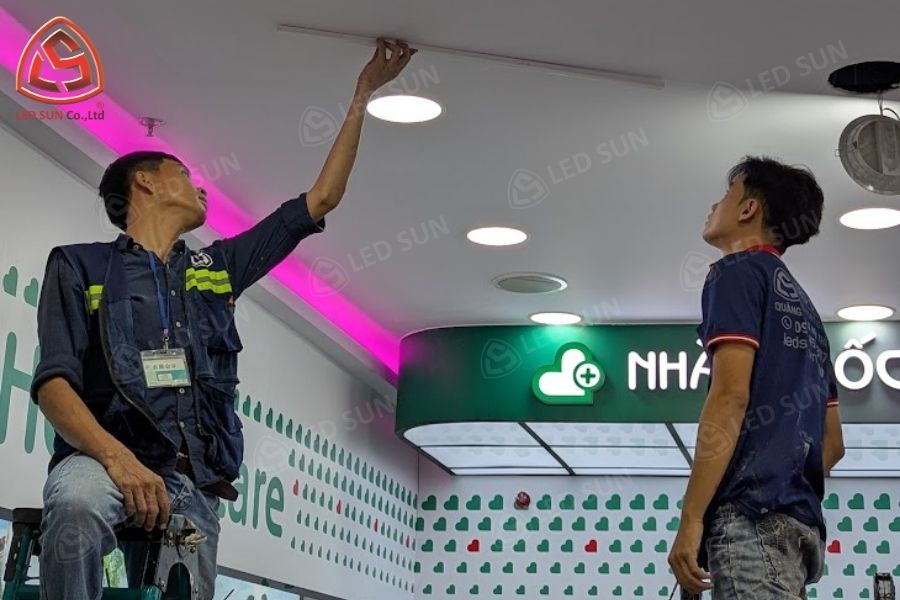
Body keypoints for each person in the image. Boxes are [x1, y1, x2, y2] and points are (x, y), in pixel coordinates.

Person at [30, 39, 416, 600]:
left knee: (186, 587)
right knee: (74, 506)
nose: (201, 187)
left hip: (191, 484)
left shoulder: (217, 269)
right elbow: (54, 385)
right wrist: (118, 459)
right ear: (146, 182)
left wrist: (364, 93)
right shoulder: (80, 266)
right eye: (186, 175)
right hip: (101, 461)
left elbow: (322, 199)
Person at [668, 157, 845, 599]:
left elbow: (730, 397)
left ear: (749, 209)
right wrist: (784, 484)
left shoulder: (736, 273)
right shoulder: (809, 314)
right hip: (800, 530)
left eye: (726, 196)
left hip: (749, 522)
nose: (714, 206)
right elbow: (834, 444)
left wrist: (692, 517)